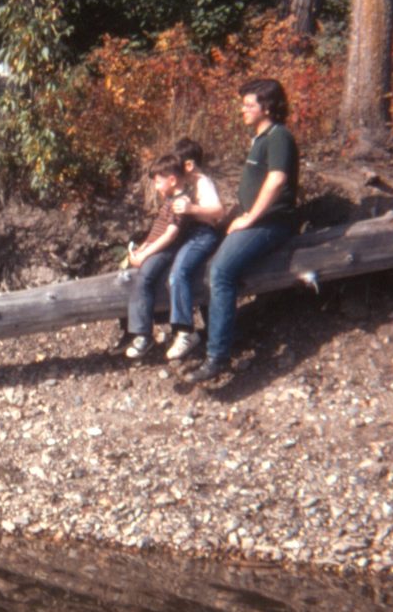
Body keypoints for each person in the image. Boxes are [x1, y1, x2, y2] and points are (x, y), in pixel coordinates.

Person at [187, 77, 299, 383]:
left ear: (268, 107)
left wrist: (249, 219)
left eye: (249, 105)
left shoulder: (279, 136)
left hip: (272, 224)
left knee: (221, 271)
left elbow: (277, 181)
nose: (243, 110)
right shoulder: (260, 139)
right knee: (203, 259)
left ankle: (217, 357)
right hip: (255, 220)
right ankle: (220, 335)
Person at [119, 154, 191, 359]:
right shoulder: (170, 200)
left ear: (172, 180)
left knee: (144, 277)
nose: (156, 187)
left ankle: (143, 334)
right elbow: (157, 231)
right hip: (155, 247)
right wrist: (142, 247)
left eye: (159, 182)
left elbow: (170, 235)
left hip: (166, 250)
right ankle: (130, 329)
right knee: (129, 276)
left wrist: (145, 255)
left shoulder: (180, 202)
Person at [163, 138, 225, 360]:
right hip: (194, 234)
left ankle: (185, 331)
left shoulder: (202, 182)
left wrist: (192, 209)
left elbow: (218, 211)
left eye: (177, 165)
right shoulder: (190, 184)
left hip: (203, 235)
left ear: (188, 165)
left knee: (178, 273)